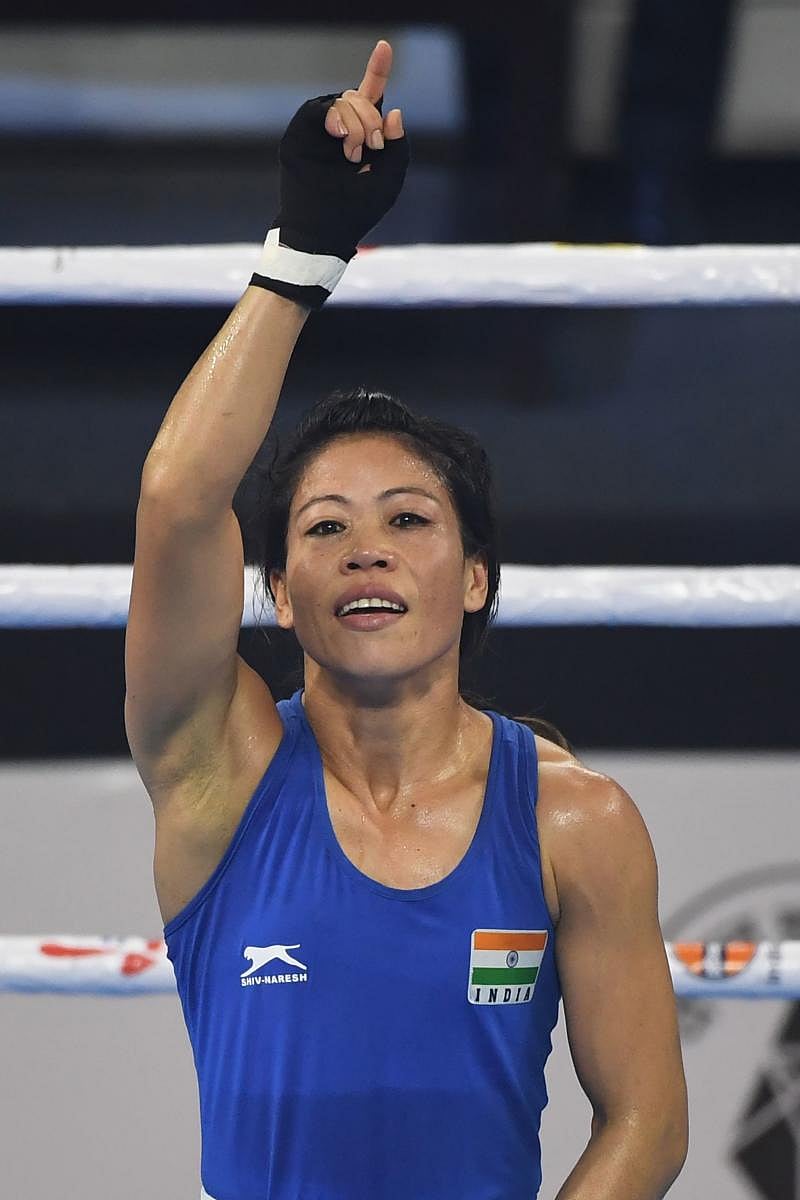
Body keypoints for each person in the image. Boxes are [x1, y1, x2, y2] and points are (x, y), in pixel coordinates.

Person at [125, 38, 688, 1200]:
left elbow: (643, 1123)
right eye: (323, 528)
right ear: (277, 592)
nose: (366, 547)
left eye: (408, 522)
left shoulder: (575, 819)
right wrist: (300, 257)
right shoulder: (214, 770)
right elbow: (181, 501)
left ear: (474, 576)